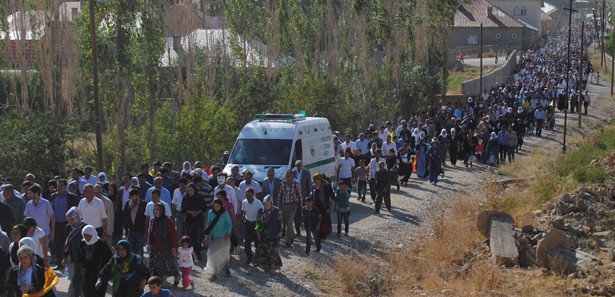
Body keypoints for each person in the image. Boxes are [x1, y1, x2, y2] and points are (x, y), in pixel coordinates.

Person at [50, 179, 80, 271]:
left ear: (66, 186)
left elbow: (77, 211)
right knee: (57, 244)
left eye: (61, 186)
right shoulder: (53, 196)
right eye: (58, 186)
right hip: (56, 224)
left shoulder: (72, 197)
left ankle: (69, 263)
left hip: (68, 224)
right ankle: (59, 263)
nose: (59, 188)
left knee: (67, 244)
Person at [147, 204, 179, 286]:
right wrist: (149, 244)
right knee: (154, 265)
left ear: (162, 211)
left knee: (169, 266)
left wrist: (174, 247)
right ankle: (158, 283)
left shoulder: (168, 221)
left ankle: (176, 274)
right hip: (155, 247)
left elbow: (173, 235)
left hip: (165, 247)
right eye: (155, 210)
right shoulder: (153, 220)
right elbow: (150, 233)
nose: (156, 211)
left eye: (158, 210)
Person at [79, 225, 113, 297]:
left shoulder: (102, 244)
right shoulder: (82, 243)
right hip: (87, 273)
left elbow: (109, 259)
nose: (86, 237)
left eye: (88, 235)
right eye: (84, 235)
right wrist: (83, 267)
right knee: (86, 293)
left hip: (99, 274)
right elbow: (80, 257)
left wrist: (103, 273)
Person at [203, 198, 232, 281]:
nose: (216, 207)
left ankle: (226, 270)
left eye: (217, 206)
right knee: (213, 254)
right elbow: (209, 225)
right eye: (214, 206)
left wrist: (227, 233)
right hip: (214, 236)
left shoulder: (225, 213)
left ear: (221, 206)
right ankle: (214, 272)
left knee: (224, 254)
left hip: (223, 237)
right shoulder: (210, 213)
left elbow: (229, 223)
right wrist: (206, 236)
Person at [254, 195, 283, 270]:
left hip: (273, 232)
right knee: (263, 248)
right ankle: (264, 265)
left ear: (271, 204)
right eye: (265, 204)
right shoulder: (260, 211)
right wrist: (258, 230)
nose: (266, 206)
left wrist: (280, 231)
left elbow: (281, 222)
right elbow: (257, 222)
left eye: (268, 204)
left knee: (272, 249)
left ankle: (274, 265)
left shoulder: (277, 211)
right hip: (263, 233)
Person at [180, 183, 206, 261]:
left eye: (191, 190)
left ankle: (197, 253)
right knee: (189, 238)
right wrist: (190, 212)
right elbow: (182, 209)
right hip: (189, 220)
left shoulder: (200, 197)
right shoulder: (185, 197)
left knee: (198, 237)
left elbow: (204, 208)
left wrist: (197, 212)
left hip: (198, 220)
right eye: (188, 190)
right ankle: (190, 254)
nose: (190, 192)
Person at [278, 170, 302, 248]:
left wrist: (301, 206)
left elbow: (299, 195)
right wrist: (279, 206)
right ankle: (292, 235)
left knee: (289, 223)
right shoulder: (282, 183)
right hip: (285, 205)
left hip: (293, 205)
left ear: (292, 176)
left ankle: (288, 241)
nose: (287, 178)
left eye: (289, 176)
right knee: (286, 222)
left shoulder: (296, 183)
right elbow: (280, 195)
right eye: (286, 176)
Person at [241, 189, 263, 265]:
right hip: (248, 223)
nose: (248, 197)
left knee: (257, 242)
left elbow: (262, 214)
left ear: (253, 195)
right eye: (246, 195)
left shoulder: (258, 203)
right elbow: (243, 211)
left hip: (256, 224)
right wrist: (243, 217)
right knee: (247, 243)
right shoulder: (244, 202)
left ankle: (257, 259)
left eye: (249, 195)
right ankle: (249, 258)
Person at [123, 189, 147, 256]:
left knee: (139, 250)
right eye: (130, 197)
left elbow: (146, 218)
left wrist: (145, 231)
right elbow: (124, 214)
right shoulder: (128, 203)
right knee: (129, 249)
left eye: (133, 196)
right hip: (131, 230)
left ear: (137, 196)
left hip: (140, 232)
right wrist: (129, 207)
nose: (132, 198)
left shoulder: (143, 204)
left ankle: (139, 265)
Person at [309, 174, 333, 240]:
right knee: (316, 220)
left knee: (323, 220)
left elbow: (327, 197)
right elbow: (311, 195)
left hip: (323, 206)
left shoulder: (324, 186)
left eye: (316, 180)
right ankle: (317, 234)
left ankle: (324, 234)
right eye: (314, 180)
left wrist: (328, 207)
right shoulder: (313, 186)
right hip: (315, 206)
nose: (315, 182)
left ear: (320, 180)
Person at [293, 161, 311, 237]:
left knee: (304, 214)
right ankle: (298, 231)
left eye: (299, 165)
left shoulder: (307, 173)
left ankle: (306, 229)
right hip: (295, 198)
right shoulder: (293, 173)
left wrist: (308, 197)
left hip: (304, 197)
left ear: (302, 165)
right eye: (297, 165)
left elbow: (309, 185)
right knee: (296, 215)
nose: (298, 167)